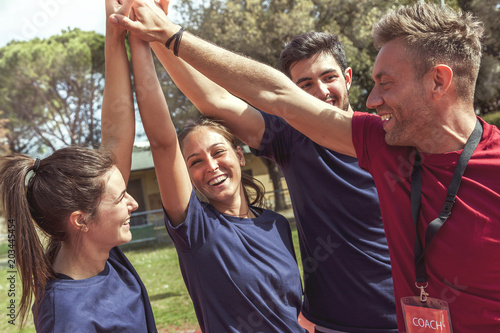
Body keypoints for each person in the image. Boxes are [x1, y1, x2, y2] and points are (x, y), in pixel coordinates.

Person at [111, 1, 500, 331]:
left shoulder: (422, 148)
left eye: (385, 82)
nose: (373, 98)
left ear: (438, 81)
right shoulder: (373, 141)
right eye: (305, 85)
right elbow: (267, 95)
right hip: (335, 322)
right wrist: (163, 36)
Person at [148, 29, 396, 332]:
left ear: (347, 77)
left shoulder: (388, 139)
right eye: (305, 84)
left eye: (328, 77)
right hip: (333, 324)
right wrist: (157, 34)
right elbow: (213, 100)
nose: (319, 91)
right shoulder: (291, 138)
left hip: (399, 317)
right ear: (292, 93)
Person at [123, 22, 306, 333]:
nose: (211, 166)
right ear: (188, 174)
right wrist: (141, 37)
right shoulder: (195, 228)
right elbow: (162, 142)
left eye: (218, 152)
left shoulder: (276, 225)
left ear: (239, 154)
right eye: (195, 161)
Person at [0, 147, 157, 332]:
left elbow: (117, 136)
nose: (134, 204)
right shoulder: (67, 316)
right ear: (81, 220)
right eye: (121, 197)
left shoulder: (102, 251)